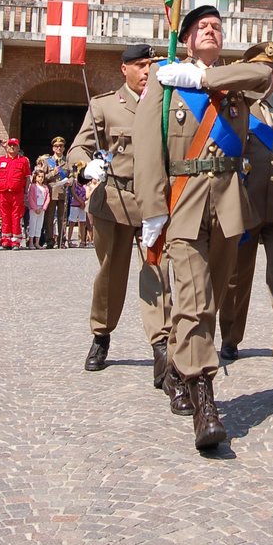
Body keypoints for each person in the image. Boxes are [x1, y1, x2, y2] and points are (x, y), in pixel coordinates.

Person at [133, 7, 273, 451]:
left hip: (230, 203)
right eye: (202, 28)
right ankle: (205, 399)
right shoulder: (164, 78)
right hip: (185, 199)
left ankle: (177, 367)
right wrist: (153, 210)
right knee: (193, 302)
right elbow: (147, 145)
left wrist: (205, 80)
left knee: (210, 300)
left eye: (217, 27)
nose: (211, 31)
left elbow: (265, 75)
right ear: (188, 39)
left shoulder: (234, 78)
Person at [69, 44, 173, 380]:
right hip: (113, 200)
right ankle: (101, 334)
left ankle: (161, 346)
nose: (147, 72)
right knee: (110, 273)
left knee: (156, 273)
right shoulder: (104, 105)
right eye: (141, 65)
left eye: (151, 65)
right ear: (123, 69)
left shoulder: (165, 104)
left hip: (152, 203)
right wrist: (85, 167)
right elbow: (78, 148)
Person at [218, 40, 273, 362]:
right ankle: (231, 336)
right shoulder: (235, 104)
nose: (270, 74)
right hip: (244, 204)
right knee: (235, 281)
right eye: (264, 68)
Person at [0, 138, 31, 249]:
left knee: (16, 217)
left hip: (17, 193)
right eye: (10, 145)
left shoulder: (23, 160)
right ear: (7, 147)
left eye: (14, 145)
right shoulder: (0, 160)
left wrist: (25, 193)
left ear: (18, 147)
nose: (12, 147)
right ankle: (5, 240)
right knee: (5, 217)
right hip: (3, 193)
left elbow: (27, 178)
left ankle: (15, 241)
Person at [43, 137, 70, 248]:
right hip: (51, 192)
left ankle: (61, 241)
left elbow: (72, 175)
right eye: (56, 146)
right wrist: (52, 173)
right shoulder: (47, 161)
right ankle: (49, 240)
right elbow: (42, 177)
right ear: (53, 148)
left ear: (64, 148)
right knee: (49, 218)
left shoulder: (67, 161)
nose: (58, 148)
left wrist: (70, 181)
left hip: (63, 192)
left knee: (62, 218)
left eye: (61, 146)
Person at [26, 163, 51, 249]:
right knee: (33, 225)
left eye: (42, 177)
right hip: (34, 209)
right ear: (35, 177)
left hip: (41, 208)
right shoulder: (33, 186)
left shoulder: (45, 187)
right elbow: (30, 198)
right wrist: (35, 208)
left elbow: (48, 198)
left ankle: (37, 242)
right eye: (39, 176)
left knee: (39, 226)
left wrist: (43, 208)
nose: (41, 178)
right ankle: (31, 243)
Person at [66, 176, 88, 246]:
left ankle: (82, 241)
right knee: (72, 222)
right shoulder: (75, 182)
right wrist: (80, 201)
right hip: (74, 204)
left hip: (82, 205)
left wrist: (83, 202)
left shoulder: (85, 184)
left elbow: (86, 193)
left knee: (82, 222)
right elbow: (73, 192)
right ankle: (69, 240)